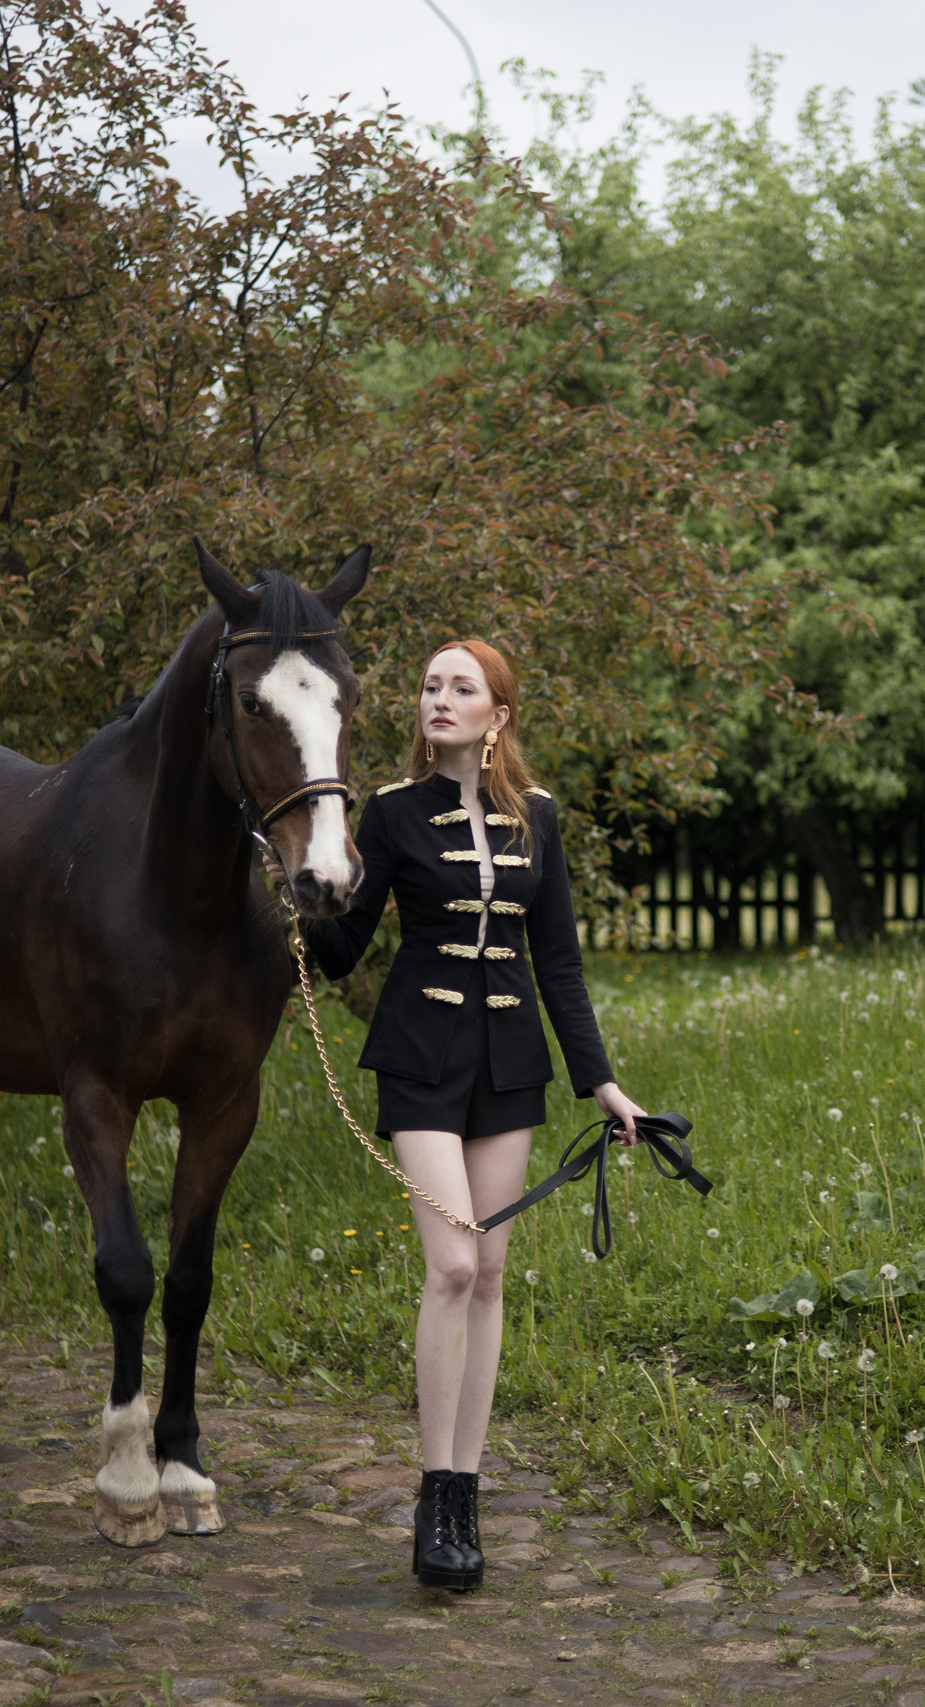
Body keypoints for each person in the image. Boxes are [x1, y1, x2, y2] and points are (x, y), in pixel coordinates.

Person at [293, 639, 645, 1592]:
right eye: (429, 685)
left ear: (498, 715)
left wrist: (603, 1085)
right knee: (451, 1261)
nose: (438, 699)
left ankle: (464, 1494)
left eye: (461, 688)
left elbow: (560, 966)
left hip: (509, 1065)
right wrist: (303, 894)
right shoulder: (393, 813)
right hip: (419, 1058)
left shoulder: (539, 819)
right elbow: (342, 951)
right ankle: (431, 1486)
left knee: (490, 1270)